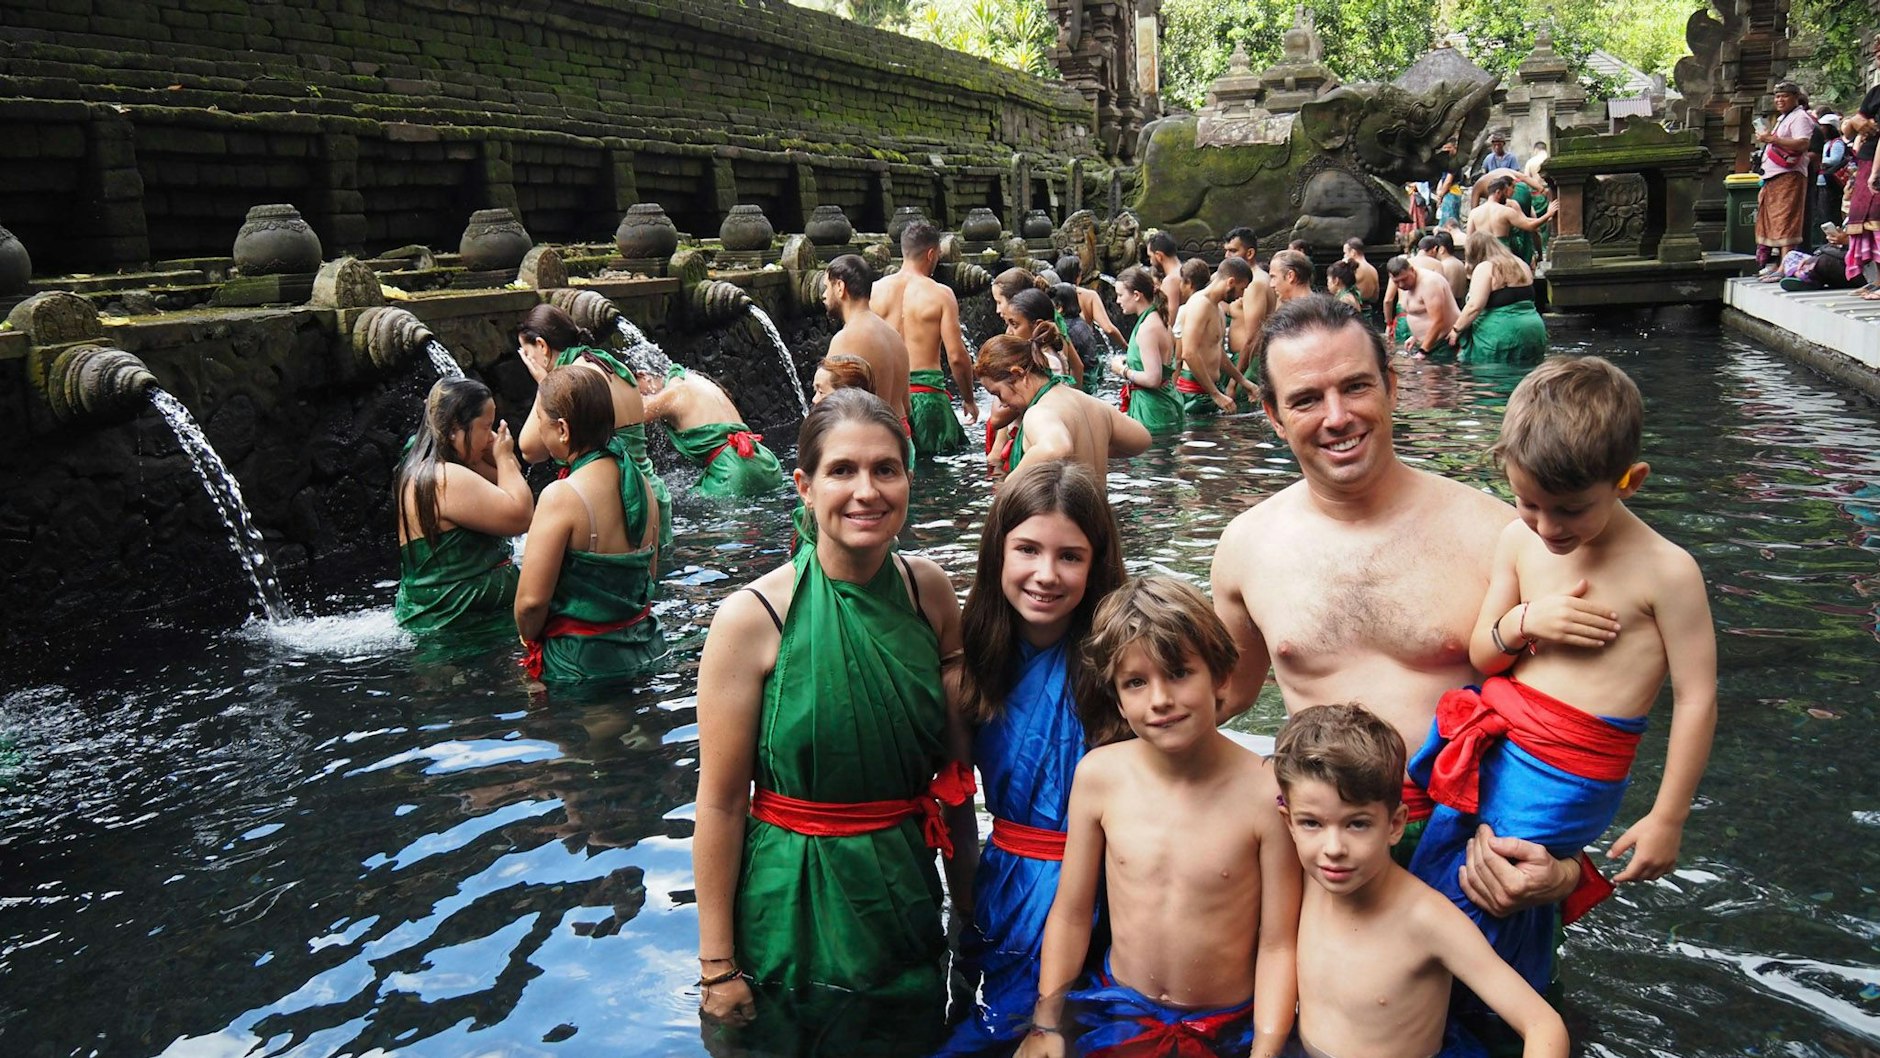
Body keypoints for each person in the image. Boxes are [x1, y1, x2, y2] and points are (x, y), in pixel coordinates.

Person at [1211, 295, 1580, 911]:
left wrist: (1562, 865)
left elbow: (1583, 712)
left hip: (1482, 854)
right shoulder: (1247, 546)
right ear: (1274, 416)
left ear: (1391, 386)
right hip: (1326, 854)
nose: (1337, 417)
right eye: (1305, 399)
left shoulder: (1498, 535)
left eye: (1355, 387)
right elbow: (1222, 695)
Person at [1407, 356, 1718, 996]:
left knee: (1496, 884)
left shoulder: (1667, 571)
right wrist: (1527, 621)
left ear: (1629, 481)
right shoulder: (1519, 544)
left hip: (1571, 769)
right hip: (1501, 741)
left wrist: (1669, 816)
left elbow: (1697, 697)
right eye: (1529, 504)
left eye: (1571, 510)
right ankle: (1454, 1009)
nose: (1548, 527)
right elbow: (1484, 653)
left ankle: (1501, 1013)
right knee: (1446, 870)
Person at [691, 388, 972, 1051]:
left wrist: (970, 917)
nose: (866, 491)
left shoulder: (928, 593)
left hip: (901, 894)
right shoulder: (751, 619)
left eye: (885, 469)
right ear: (805, 486)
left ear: (908, 478)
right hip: (791, 908)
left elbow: (957, 782)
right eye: (842, 470)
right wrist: (717, 966)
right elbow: (722, 804)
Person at [1017, 577, 1299, 1058]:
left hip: (1228, 1025)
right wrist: (1048, 1022)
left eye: (1179, 673)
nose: (1160, 699)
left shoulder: (1266, 792)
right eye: (1136, 683)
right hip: (1120, 1011)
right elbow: (1071, 912)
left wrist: (1266, 1049)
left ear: (1221, 676)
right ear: (1117, 697)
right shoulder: (1099, 777)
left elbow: (1279, 944)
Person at [935, 460, 1128, 1057]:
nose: (1046, 574)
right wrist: (966, 910)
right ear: (998, 553)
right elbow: (960, 807)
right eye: (1028, 550)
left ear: (1096, 563)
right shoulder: (969, 668)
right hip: (1007, 889)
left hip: (1113, 892)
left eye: (1070, 555)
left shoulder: (1122, 662)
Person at [1275, 704, 1570, 1058]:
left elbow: (1543, 1024)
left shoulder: (1427, 920)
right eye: (1312, 823)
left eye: (1358, 824)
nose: (1333, 849)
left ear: (1396, 824)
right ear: (1289, 822)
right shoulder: (1306, 882)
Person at [513, 366, 664, 683]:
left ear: (563, 429)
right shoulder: (643, 488)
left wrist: (530, 642)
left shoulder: (561, 496)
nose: (541, 433)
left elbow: (530, 604)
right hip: (647, 648)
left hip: (584, 663)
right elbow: (648, 579)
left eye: (542, 424)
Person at [516, 303, 672, 550]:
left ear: (542, 346)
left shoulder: (574, 379)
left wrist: (545, 385)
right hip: (651, 496)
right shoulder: (610, 365)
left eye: (527, 353)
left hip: (619, 504)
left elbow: (529, 450)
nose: (528, 361)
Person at [393, 377, 532, 637]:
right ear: (455, 427)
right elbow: (521, 515)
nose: (492, 437)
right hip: (456, 629)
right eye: (486, 426)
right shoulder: (442, 478)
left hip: (458, 618)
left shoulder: (425, 465)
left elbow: (508, 485)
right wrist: (503, 456)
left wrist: (489, 451)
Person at [977, 331, 1151, 481]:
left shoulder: (1040, 412)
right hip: (1099, 515)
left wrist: (1008, 487)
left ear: (1018, 373)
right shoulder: (1091, 403)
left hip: (1062, 518)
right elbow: (1142, 440)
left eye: (998, 394)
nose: (1002, 403)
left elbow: (1056, 448)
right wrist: (1091, 447)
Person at [873, 220, 978, 452]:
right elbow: (957, 356)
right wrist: (969, 399)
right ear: (931, 254)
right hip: (928, 400)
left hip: (887, 402)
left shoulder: (875, 291)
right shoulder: (940, 294)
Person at [633, 363, 785, 498]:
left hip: (733, 472)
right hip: (765, 462)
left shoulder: (674, 392)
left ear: (643, 376)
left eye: (635, 390)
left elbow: (633, 412)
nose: (636, 395)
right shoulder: (694, 379)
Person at [823, 254, 910, 425]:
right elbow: (906, 405)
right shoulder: (894, 335)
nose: (824, 295)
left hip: (871, 439)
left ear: (840, 287)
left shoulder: (845, 339)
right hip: (901, 436)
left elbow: (831, 404)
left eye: (827, 287)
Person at [1175, 257, 1258, 417]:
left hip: (1210, 388)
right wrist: (1215, 394)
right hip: (1194, 392)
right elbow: (1188, 353)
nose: (1241, 296)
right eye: (1242, 289)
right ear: (1231, 282)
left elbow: (1216, 351)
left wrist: (1243, 381)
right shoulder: (1200, 304)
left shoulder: (1217, 308)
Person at [1107, 265, 1184, 436]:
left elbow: (1153, 379)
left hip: (1152, 410)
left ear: (1136, 295)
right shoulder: (1159, 319)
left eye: (1120, 295)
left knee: (1148, 461)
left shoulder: (1147, 328)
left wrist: (1123, 370)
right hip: (1164, 402)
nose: (1117, 301)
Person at [1450, 229, 1547, 365]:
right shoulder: (1521, 264)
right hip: (1534, 330)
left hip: (1502, 335)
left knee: (1494, 379)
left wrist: (1456, 330)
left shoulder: (1486, 267)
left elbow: (1474, 306)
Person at [1754, 82, 1820, 277]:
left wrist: (1772, 139)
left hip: (1789, 176)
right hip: (1773, 176)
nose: (1779, 100)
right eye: (1777, 97)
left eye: (1784, 96)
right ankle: (1776, 264)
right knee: (1773, 221)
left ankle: (1786, 267)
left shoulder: (1800, 117)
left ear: (1795, 97)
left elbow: (1802, 143)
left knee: (1786, 220)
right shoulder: (1784, 118)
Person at [1836, 42, 1880, 298]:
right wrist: (1854, 121)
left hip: (1875, 163)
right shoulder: (1875, 92)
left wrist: (1875, 173)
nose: (1877, 56)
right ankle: (1875, 279)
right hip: (1865, 161)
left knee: (1876, 220)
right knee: (1862, 221)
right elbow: (1848, 129)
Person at [1223, 227, 1276, 384]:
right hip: (1247, 362)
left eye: (1232, 251)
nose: (1227, 256)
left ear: (1250, 253)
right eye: (1226, 251)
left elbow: (1253, 337)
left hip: (1250, 364)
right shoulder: (1256, 280)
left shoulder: (1255, 283)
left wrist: (1236, 381)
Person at [1004, 286, 1084, 389]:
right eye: (1007, 324)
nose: (1008, 332)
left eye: (1014, 324)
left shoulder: (1049, 363)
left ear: (1037, 325)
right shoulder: (1038, 354)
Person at [1469, 175, 1557, 266]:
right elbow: (1529, 226)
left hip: (1484, 256)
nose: (1510, 194)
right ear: (1498, 192)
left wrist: (1469, 262)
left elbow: (1469, 240)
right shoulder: (1506, 211)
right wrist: (1548, 214)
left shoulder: (1474, 213)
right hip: (1503, 255)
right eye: (1505, 192)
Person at [1386, 255, 1460, 360]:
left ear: (1411, 270)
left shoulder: (1429, 283)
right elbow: (1419, 314)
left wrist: (1423, 350)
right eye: (1396, 282)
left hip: (1444, 343)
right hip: (1427, 343)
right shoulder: (1407, 285)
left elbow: (1438, 321)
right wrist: (1416, 337)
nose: (1401, 285)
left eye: (1404, 279)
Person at [1053, 256, 1125, 349]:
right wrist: (1126, 346)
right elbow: (1109, 329)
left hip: (1062, 348)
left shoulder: (1052, 295)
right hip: (1085, 348)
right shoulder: (1090, 295)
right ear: (1078, 275)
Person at [1049, 282, 1105, 393]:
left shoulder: (1065, 328)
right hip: (1093, 374)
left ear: (1059, 307)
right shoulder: (1080, 322)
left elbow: (1072, 365)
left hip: (1082, 381)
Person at [1342, 237, 1382, 330]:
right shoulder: (1373, 270)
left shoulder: (1351, 268)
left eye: (1345, 253)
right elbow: (1375, 297)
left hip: (1354, 312)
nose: (1344, 256)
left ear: (1353, 252)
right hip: (1369, 311)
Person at [1146, 230, 1185, 327]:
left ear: (1159, 256)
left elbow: (1170, 319)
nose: (1150, 261)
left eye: (1150, 256)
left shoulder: (1170, 281)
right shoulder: (1183, 270)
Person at [1817, 118, 1847, 229]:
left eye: (1823, 126)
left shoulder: (1837, 143)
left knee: (1829, 212)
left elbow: (1835, 159)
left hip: (1829, 183)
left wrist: (1821, 160)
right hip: (1821, 182)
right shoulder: (1826, 143)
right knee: (1822, 212)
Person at [1432, 231, 1472, 304]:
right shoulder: (1460, 264)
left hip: (1448, 305)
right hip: (1461, 305)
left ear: (1441, 249)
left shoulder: (1442, 266)